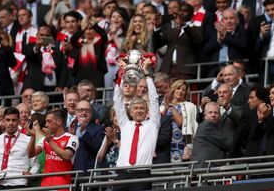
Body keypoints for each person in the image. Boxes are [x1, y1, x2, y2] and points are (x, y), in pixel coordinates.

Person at [113, 59, 160, 191]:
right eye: (136, 108)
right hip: (121, 175)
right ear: (131, 111)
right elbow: (117, 100)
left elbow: (154, 99)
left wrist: (147, 74)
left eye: (142, 108)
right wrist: (121, 75)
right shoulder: (125, 124)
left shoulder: (153, 125)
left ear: (146, 112)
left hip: (142, 175)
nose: (139, 110)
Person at [0, 107, 39, 189]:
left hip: (19, 183)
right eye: (8, 120)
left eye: (14, 120)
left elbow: (35, 164)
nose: (11, 123)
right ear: (3, 121)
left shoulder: (28, 139)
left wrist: (31, 174)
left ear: (19, 121)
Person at [27, 109, 79, 190]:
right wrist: (33, 137)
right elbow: (31, 154)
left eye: (49, 121)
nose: (46, 125)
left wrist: (50, 141)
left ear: (59, 122)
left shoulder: (71, 138)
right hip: (45, 183)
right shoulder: (45, 139)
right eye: (46, 122)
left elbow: (66, 156)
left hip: (62, 184)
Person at [160, 79, 198, 162]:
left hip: (182, 143)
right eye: (178, 88)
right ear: (173, 89)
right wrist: (166, 108)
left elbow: (181, 123)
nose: (180, 91)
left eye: (183, 90)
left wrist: (190, 146)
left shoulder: (190, 106)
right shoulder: (163, 106)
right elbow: (159, 123)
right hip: (166, 143)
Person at [192, 102, 229, 168]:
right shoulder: (208, 125)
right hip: (205, 168)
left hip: (205, 168)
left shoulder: (209, 125)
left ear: (220, 115)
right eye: (210, 112)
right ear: (205, 115)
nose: (213, 115)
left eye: (216, 112)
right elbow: (226, 143)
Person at [72, 100, 104, 174]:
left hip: (86, 174)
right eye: (80, 110)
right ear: (75, 112)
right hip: (68, 174)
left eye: (87, 110)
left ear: (92, 113)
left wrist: (83, 132)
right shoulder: (69, 128)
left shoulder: (98, 128)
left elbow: (98, 147)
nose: (84, 113)